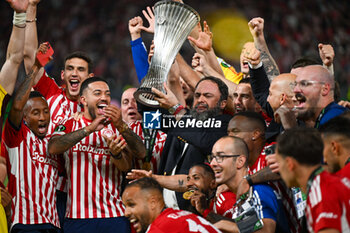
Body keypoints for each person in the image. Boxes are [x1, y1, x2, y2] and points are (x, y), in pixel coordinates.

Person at [48, 77, 146, 233]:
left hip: (114, 215)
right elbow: (53, 148)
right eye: (97, 93)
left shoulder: (117, 126)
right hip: (77, 217)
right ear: (84, 100)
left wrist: (117, 151)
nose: (104, 98)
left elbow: (138, 155)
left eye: (107, 94)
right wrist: (89, 129)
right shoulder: (70, 123)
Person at [1, 43, 61, 232]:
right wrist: (36, 67)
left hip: (53, 224)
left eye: (45, 111)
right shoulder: (17, 137)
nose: (43, 117)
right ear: (25, 118)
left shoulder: (54, 139)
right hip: (25, 224)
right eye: (35, 112)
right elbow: (17, 106)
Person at [152, 76, 232, 210]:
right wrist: (156, 74)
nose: (201, 100)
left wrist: (175, 109)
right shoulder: (182, 118)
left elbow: (204, 141)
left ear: (223, 104)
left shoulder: (226, 124)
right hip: (164, 209)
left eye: (207, 96)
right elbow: (148, 115)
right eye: (197, 95)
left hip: (196, 210)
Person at [208, 136, 290, 233]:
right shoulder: (242, 195)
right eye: (212, 157)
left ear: (240, 161)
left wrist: (224, 225)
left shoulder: (258, 191)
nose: (212, 163)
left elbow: (266, 230)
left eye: (220, 157)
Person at [276, 127, 350, 233]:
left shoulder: (321, 192)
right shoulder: (325, 183)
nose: (279, 170)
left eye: (278, 162)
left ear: (289, 164)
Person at [126, 163, 235, 218]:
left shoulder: (225, 201)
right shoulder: (199, 203)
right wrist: (153, 178)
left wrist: (205, 211)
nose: (188, 184)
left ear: (213, 183)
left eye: (196, 178)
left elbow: (239, 228)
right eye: (188, 179)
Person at [122, 177, 221, 233]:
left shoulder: (160, 229)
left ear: (152, 202)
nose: (126, 213)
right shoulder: (181, 214)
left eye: (131, 205)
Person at [121, 87, 167, 173]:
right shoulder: (116, 132)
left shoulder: (161, 133)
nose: (130, 106)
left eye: (135, 101)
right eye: (125, 102)